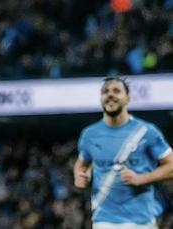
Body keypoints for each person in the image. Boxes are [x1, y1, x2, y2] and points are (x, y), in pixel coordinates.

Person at [74, 76, 173, 229]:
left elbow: (171, 166)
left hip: (140, 222)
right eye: (105, 91)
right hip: (103, 221)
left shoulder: (146, 131)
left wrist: (141, 179)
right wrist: (80, 177)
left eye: (116, 91)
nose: (110, 94)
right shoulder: (89, 135)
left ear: (128, 99)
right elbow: (81, 165)